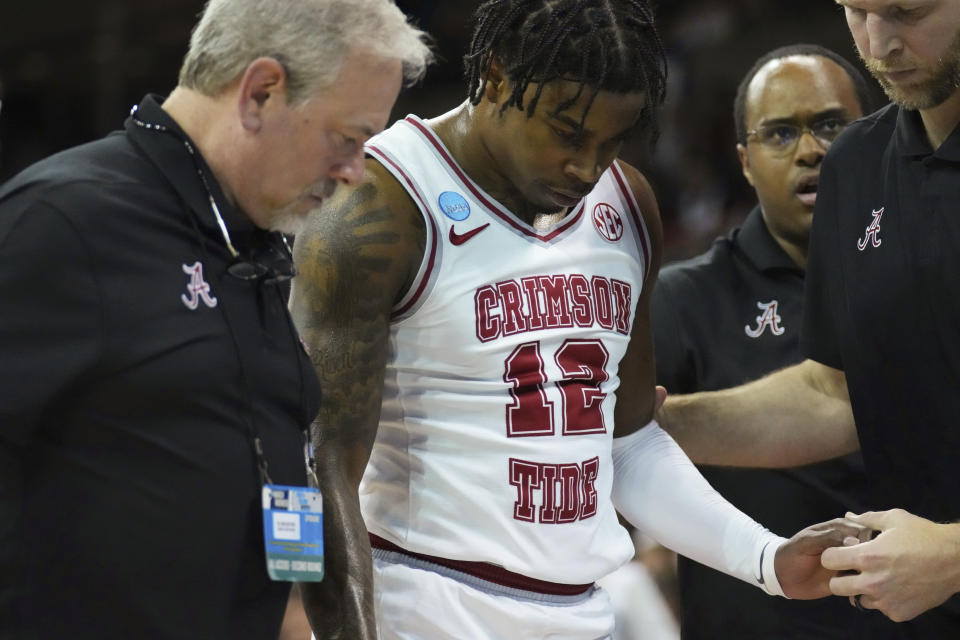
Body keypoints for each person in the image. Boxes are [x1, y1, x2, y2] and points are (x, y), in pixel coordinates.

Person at [290, 2, 869, 638]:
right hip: (423, 604)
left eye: (612, 140)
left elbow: (627, 444)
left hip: (583, 611)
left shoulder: (627, 205)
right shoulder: (380, 205)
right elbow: (317, 465)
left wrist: (766, 558)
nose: (586, 166)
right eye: (568, 132)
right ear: (498, 75)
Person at [0, 1, 430, 639]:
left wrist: (290, 615)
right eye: (347, 137)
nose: (353, 172)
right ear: (259, 92)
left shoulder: (254, 245)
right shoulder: (64, 222)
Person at [658, 0, 960, 636]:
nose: (880, 45)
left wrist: (955, 555)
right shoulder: (856, 164)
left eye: (906, 12)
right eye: (857, 12)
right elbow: (835, 392)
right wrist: (648, 424)